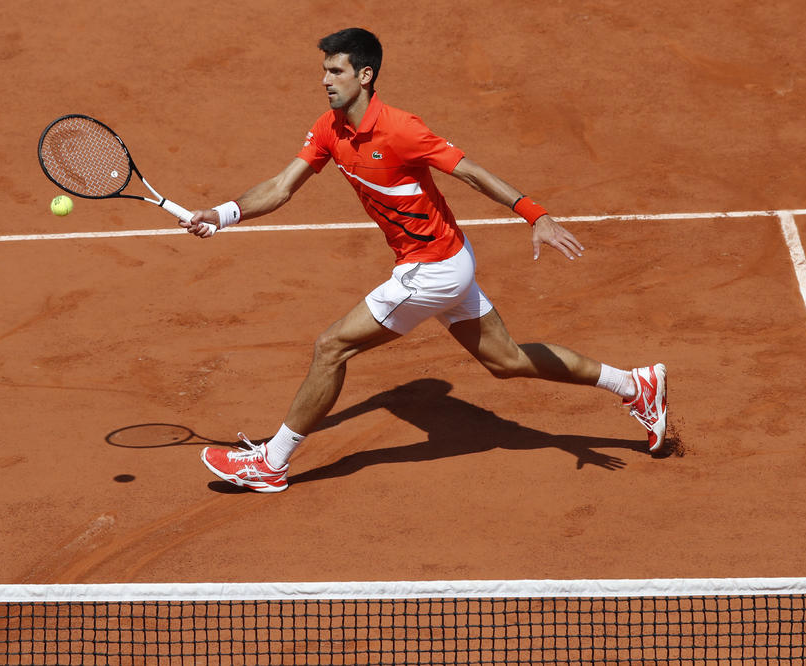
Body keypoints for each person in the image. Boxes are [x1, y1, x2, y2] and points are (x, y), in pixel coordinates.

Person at [184, 28, 667, 493]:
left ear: (365, 75)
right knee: (507, 359)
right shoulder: (328, 128)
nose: (325, 81)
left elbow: (471, 172)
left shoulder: (401, 129)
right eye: (324, 71)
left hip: (432, 269)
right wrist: (223, 215)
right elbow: (280, 186)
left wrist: (534, 214)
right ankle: (633, 384)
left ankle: (271, 463)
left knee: (332, 346)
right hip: (447, 258)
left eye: (336, 71)